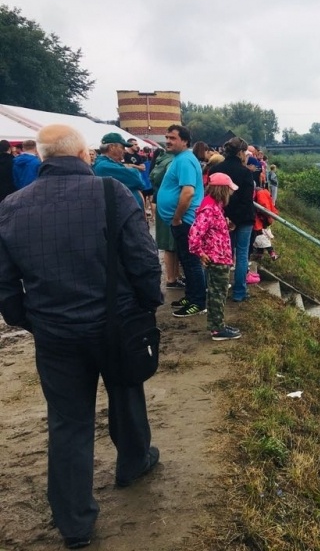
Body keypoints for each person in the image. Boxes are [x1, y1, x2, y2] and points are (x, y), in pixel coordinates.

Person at [0, 124, 162, 549]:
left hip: (55, 333)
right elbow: (143, 259)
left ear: (42, 158)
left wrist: (29, 320)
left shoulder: (11, 207)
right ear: (84, 155)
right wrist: (148, 303)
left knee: (68, 422)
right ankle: (133, 463)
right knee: (126, 393)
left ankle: (74, 522)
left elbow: (5, 283)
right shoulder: (112, 194)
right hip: (115, 323)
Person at [157, 125, 206, 317]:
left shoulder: (185, 160)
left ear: (184, 141)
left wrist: (177, 218)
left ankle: (198, 302)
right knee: (186, 260)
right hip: (181, 221)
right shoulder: (180, 158)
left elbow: (188, 192)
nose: (168, 141)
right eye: (167, 137)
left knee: (191, 262)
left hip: (185, 220)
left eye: (173, 138)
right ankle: (192, 295)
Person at [189, 172, 242, 341]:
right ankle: (218, 329)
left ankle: (217, 325)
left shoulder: (214, 206)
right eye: (229, 190)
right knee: (218, 293)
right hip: (217, 257)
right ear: (222, 190)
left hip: (220, 256)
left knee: (216, 292)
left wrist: (226, 225)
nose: (232, 193)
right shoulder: (210, 209)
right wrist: (199, 252)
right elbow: (194, 233)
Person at [207, 137, 256, 303]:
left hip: (221, 218)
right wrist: (234, 219)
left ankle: (219, 289)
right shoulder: (245, 173)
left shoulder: (215, 170)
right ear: (241, 152)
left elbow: (212, 196)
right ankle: (239, 292)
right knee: (242, 254)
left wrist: (227, 217)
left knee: (222, 254)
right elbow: (247, 199)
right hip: (243, 219)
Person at [149, 147, 182, 288]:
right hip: (170, 207)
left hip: (162, 203)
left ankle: (174, 276)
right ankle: (171, 278)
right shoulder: (172, 162)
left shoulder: (161, 161)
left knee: (171, 244)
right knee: (170, 244)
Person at [93, 133, 145, 208]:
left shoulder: (108, 163)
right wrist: (134, 170)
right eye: (122, 147)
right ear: (112, 147)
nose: (125, 151)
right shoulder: (104, 166)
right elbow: (138, 180)